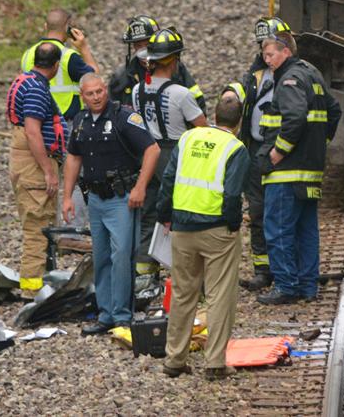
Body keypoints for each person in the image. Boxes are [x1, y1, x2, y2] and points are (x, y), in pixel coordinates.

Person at [156, 100, 250, 380]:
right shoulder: (236, 149)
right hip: (217, 230)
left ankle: (174, 359)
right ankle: (214, 363)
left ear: (213, 116)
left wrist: (165, 215)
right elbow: (232, 195)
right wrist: (233, 225)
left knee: (184, 293)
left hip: (182, 228)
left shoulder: (188, 138)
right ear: (239, 122)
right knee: (220, 295)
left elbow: (169, 179)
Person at [62, 73, 160, 335]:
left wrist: (140, 187)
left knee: (121, 256)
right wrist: (67, 196)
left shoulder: (123, 117)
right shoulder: (81, 121)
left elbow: (152, 150)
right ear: (82, 97)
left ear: (106, 90)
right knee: (101, 256)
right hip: (95, 198)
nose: (96, 97)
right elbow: (73, 157)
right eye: (90, 94)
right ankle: (105, 314)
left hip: (122, 199)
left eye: (99, 91)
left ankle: (121, 316)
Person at [255, 29, 341, 306]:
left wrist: (279, 151)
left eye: (270, 54)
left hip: (286, 171)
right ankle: (307, 286)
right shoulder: (312, 74)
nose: (267, 60)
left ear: (286, 52)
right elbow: (334, 110)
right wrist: (319, 142)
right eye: (264, 55)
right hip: (309, 169)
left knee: (278, 228)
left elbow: (294, 117)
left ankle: (286, 286)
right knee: (306, 229)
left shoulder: (289, 80)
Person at [131, 27, 206, 265]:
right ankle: (184, 269)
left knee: (148, 215)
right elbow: (202, 127)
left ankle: (145, 273)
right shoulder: (181, 93)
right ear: (174, 60)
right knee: (181, 213)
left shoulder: (136, 90)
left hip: (146, 156)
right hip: (174, 156)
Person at [7, 41, 68, 292]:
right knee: (37, 224)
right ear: (55, 66)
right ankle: (31, 287)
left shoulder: (26, 80)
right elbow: (33, 132)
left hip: (23, 159)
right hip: (33, 163)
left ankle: (39, 279)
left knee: (38, 221)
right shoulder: (36, 90)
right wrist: (48, 171)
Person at [237, 17, 291, 291]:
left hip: (282, 153)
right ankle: (263, 269)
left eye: (270, 45)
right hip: (256, 150)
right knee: (257, 210)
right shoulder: (256, 76)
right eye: (262, 46)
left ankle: (286, 268)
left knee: (281, 212)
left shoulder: (294, 74)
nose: (265, 51)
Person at [107, 15, 206, 112]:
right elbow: (113, 111)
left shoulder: (173, 67)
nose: (144, 51)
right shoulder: (121, 77)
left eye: (148, 44)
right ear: (133, 47)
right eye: (138, 46)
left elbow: (196, 99)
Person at [20, 8, 100, 121]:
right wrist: (84, 48)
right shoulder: (68, 56)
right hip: (65, 120)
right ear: (67, 28)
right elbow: (95, 77)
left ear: (45, 26)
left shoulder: (27, 54)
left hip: (36, 118)